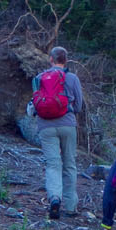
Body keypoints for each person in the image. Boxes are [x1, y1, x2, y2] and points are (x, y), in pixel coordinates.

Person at [28, 46, 85, 220]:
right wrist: (67, 111)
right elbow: (79, 106)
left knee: (53, 164)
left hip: (45, 126)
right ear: (65, 60)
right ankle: (70, 206)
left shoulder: (39, 78)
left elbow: (35, 104)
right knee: (69, 163)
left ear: (50, 59)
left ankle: (54, 198)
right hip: (67, 124)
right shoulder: (72, 78)